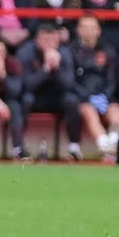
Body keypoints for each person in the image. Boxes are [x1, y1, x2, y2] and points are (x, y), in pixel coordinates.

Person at [17, 24, 82, 161]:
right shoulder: (25, 52)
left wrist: (57, 68)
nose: (49, 44)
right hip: (35, 96)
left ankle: (74, 147)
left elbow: (69, 85)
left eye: (53, 40)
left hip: (57, 96)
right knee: (24, 100)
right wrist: (45, 69)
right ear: (37, 40)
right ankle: (18, 146)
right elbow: (26, 85)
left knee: (72, 100)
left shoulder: (65, 53)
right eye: (45, 40)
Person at [70, 16, 119, 160]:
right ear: (78, 30)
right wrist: (88, 97)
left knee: (118, 112)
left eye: (92, 27)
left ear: (98, 31)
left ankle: (113, 144)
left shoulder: (107, 50)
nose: (88, 31)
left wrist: (105, 96)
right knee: (89, 112)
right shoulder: (72, 51)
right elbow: (71, 81)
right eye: (85, 27)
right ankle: (104, 147)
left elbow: (112, 78)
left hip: (105, 97)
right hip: (83, 98)